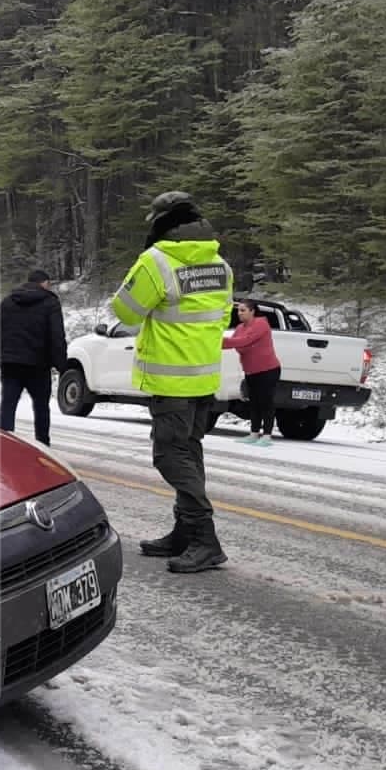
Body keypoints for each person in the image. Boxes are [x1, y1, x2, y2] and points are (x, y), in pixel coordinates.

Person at [110, 191, 234, 573]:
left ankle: (204, 538)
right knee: (189, 453)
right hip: (204, 378)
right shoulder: (220, 265)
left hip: (171, 380)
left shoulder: (157, 261)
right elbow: (223, 317)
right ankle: (185, 532)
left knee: (169, 456)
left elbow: (125, 311)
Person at [0, 268, 67, 446]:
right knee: (41, 408)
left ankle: (4, 443)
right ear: (44, 283)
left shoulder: (8, 300)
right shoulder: (50, 302)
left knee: (8, 405)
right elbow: (57, 335)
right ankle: (43, 446)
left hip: (10, 363)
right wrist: (61, 364)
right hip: (38, 365)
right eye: (48, 283)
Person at [224, 298, 281, 447]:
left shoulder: (261, 324)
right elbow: (235, 343)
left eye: (243, 310)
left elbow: (243, 341)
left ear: (252, 311)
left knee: (266, 402)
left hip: (268, 370)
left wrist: (217, 341)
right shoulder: (239, 328)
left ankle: (267, 436)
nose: (239, 313)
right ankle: (254, 434)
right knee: (254, 402)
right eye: (238, 310)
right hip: (251, 371)